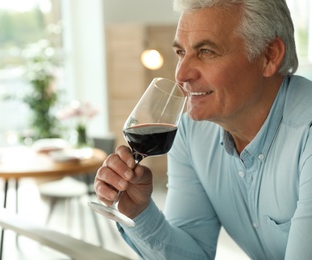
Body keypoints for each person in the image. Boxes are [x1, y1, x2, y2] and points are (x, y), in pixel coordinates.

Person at [93, 0, 312, 259]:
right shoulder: (191, 133)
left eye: (206, 51)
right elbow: (192, 255)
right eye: (180, 53)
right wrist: (139, 212)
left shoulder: (306, 134)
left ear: (269, 55)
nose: (181, 74)